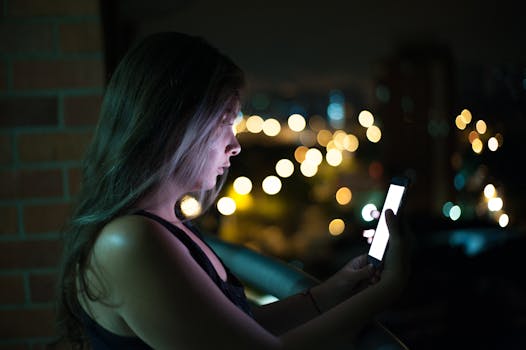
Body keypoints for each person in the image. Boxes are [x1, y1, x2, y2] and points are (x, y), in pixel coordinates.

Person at [56, 31, 410, 350]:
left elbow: (232, 331)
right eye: (224, 121)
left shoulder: (164, 225)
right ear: (175, 126)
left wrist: (333, 290)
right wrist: (388, 288)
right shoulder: (130, 243)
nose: (235, 145)